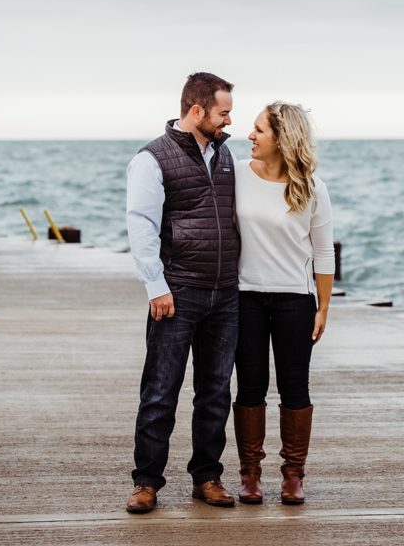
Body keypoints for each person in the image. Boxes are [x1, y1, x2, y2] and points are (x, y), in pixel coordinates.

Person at [124, 72, 241, 512]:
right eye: (224, 111)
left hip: (225, 294)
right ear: (197, 111)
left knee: (215, 392)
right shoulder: (152, 158)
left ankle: (207, 478)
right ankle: (147, 482)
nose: (229, 119)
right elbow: (142, 225)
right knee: (160, 390)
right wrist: (156, 287)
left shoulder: (227, 156)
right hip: (177, 293)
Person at [232, 102, 334, 505]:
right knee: (250, 387)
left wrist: (323, 307)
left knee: (295, 388)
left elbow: (323, 253)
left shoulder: (311, 187)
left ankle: (293, 475)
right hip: (245, 298)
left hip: (296, 300)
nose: (250, 136)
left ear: (282, 138)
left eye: (259, 130)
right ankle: (251, 474)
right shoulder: (237, 174)